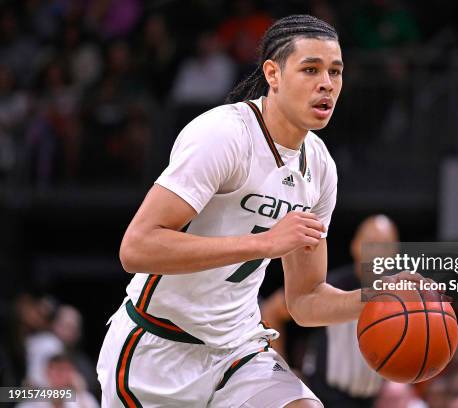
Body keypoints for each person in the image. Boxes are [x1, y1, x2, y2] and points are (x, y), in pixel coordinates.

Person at [97, 14, 430, 408]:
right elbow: (136, 249)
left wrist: (378, 298)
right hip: (156, 352)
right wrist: (264, 244)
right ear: (272, 73)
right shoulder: (223, 136)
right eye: (311, 69)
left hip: (240, 351)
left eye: (335, 72)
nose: (327, 83)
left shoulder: (320, 167)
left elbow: (304, 301)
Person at [263, 215, 399, 407]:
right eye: (371, 244)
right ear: (355, 246)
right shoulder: (330, 288)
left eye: (384, 245)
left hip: (369, 400)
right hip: (324, 397)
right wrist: (282, 370)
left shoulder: (396, 298)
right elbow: (271, 311)